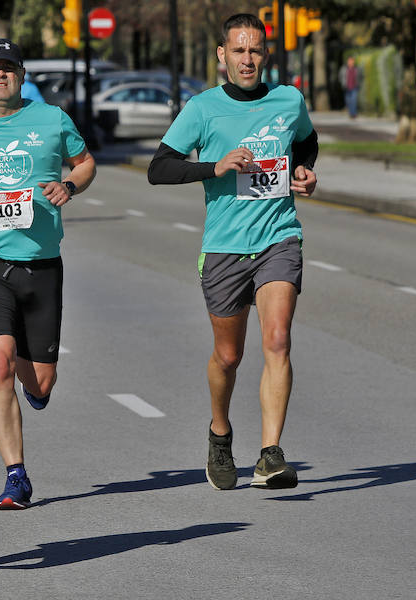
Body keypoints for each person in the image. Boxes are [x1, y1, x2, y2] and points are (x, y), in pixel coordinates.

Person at [148, 13, 318, 491]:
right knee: (228, 356)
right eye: (238, 50)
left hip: (278, 237)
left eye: (255, 51)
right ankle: (220, 434)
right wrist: (214, 166)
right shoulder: (203, 109)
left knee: (278, 340)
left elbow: (306, 141)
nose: (247, 59)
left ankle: (270, 454)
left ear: (266, 55)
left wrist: (303, 170)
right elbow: (158, 169)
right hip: (224, 248)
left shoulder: (288, 100)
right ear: (222, 55)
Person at [0, 38, 96, 509]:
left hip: (41, 262)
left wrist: (69, 183)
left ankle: (36, 388)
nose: (0, 76)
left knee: (40, 383)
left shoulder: (52, 119)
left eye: (9, 69)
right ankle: (16, 474)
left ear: (22, 76)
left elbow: (86, 162)